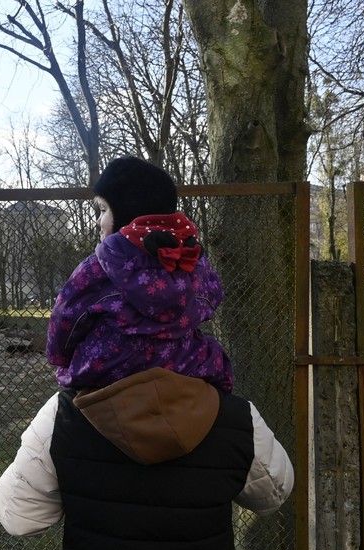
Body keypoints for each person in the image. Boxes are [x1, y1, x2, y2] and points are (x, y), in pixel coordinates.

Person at [0, 157, 295, 550]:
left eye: (101, 209)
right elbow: (275, 492)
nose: (97, 220)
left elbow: (19, 517)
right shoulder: (233, 416)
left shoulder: (63, 419)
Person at [45, 155, 233, 393]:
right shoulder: (192, 261)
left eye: (103, 210)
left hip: (109, 372)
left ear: (126, 213)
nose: (98, 221)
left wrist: (59, 358)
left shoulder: (96, 269)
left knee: (46, 426)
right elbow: (214, 297)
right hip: (186, 366)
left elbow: (65, 320)